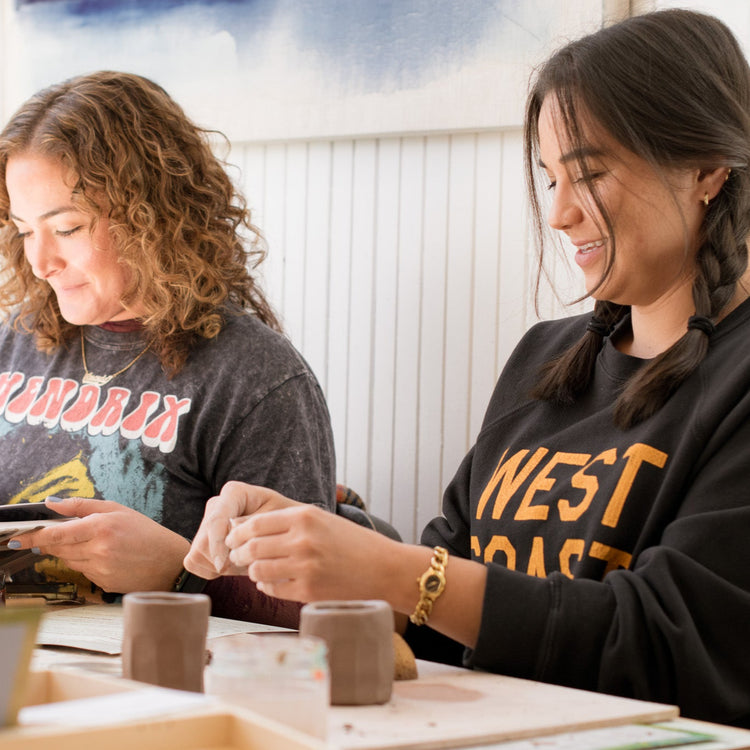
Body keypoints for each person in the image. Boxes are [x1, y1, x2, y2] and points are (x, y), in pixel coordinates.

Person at [184, 9, 750, 726]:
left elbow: (667, 648)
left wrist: (396, 570)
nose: (560, 214)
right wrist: (307, 549)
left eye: (591, 175)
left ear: (706, 168)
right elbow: (433, 618)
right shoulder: (544, 360)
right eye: (550, 181)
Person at [0, 71, 335, 625]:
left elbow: (311, 609)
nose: (39, 262)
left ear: (150, 218)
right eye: (22, 229)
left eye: (67, 228)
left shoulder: (254, 379)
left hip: (161, 681)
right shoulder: (16, 340)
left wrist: (175, 571)